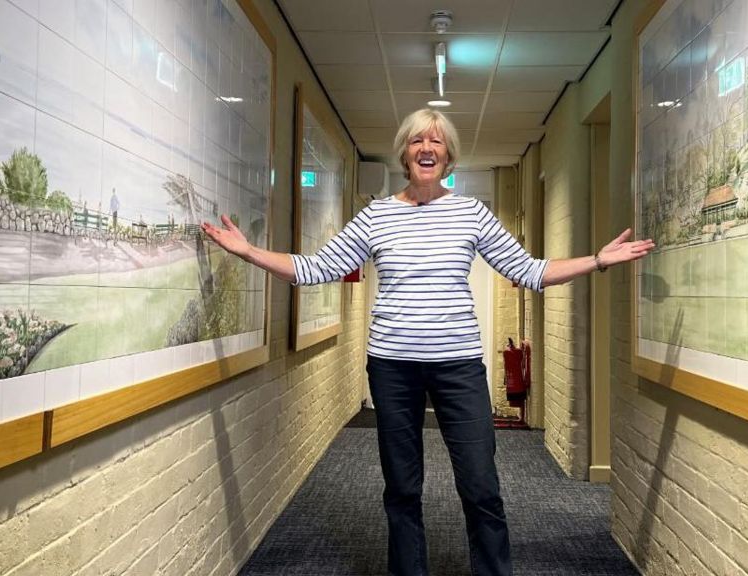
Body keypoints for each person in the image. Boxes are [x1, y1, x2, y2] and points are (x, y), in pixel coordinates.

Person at [202, 108, 654, 576]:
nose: (427, 149)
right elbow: (316, 267)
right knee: (401, 488)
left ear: (448, 156)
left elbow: (531, 271)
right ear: (404, 152)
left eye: (436, 142)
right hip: (392, 367)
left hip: (458, 367)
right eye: (418, 141)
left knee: (481, 484)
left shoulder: (471, 212)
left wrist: (598, 260)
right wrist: (250, 252)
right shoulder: (376, 216)